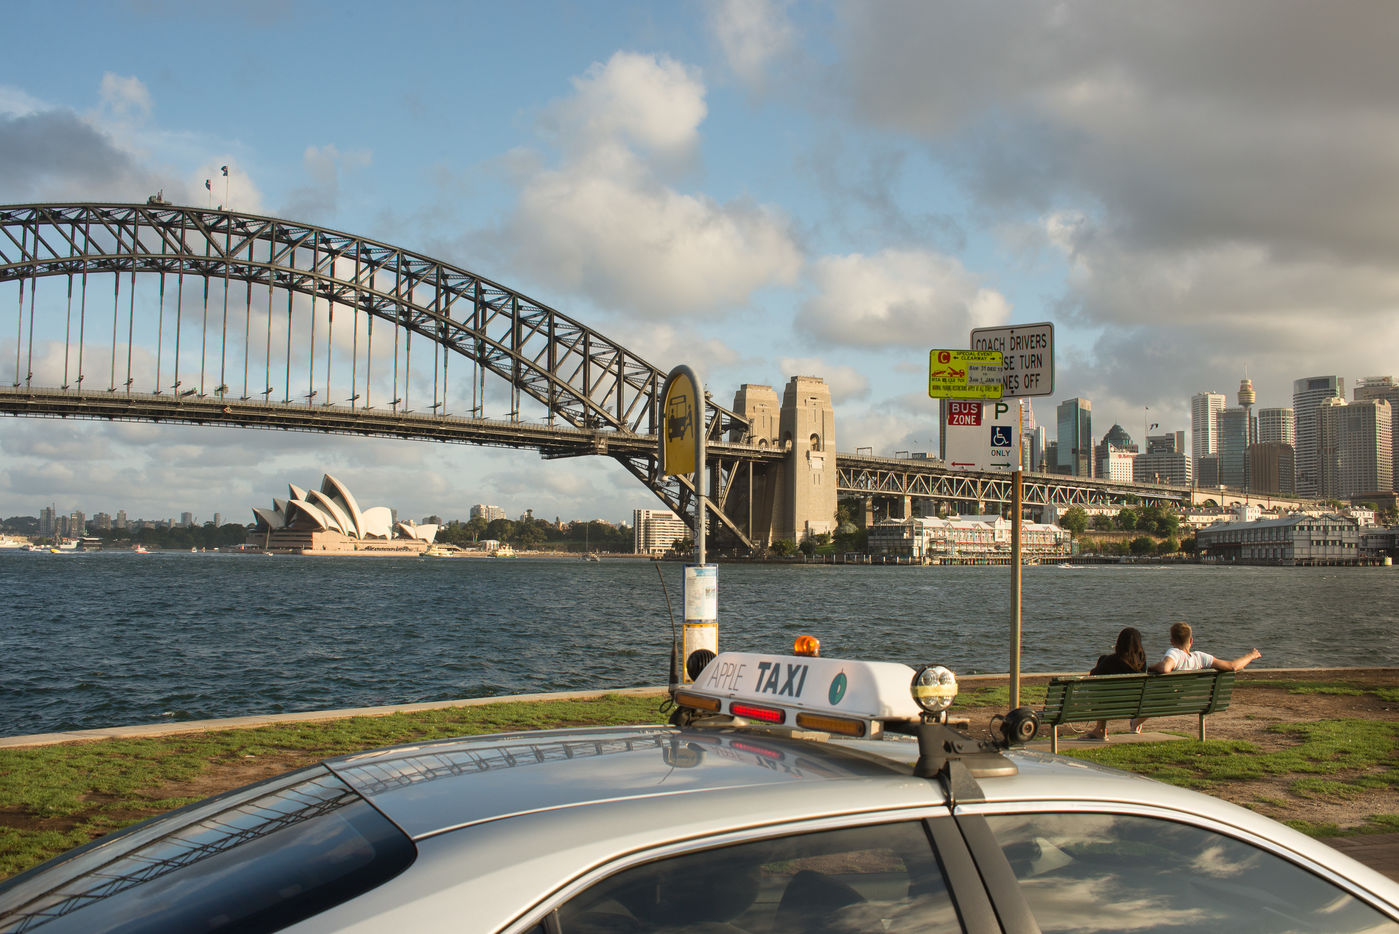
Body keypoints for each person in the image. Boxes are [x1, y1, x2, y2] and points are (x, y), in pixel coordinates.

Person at [1082, 627, 1146, 740]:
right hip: (1134, 704)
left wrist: (1102, 660)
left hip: (1110, 704)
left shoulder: (1111, 660)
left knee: (1099, 692)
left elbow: (1093, 678)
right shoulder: (1142, 663)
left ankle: (1100, 730)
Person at [1148, 622, 1261, 674]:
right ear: (1191, 640)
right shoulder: (1200, 657)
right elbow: (1233, 666)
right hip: (1193, 700)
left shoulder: (1174, 653)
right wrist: (1250, 655)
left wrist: (1151, 667)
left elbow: (1165, 668)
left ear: (1172, 642)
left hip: (1168, 699)